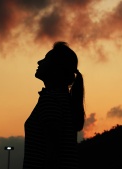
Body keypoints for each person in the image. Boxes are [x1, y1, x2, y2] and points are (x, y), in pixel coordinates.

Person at [23, 41, 85, 169]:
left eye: (46, 59)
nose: (39, 62)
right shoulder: (64, 99)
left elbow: (53, 151)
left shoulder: (51, 99)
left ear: (56, 68)